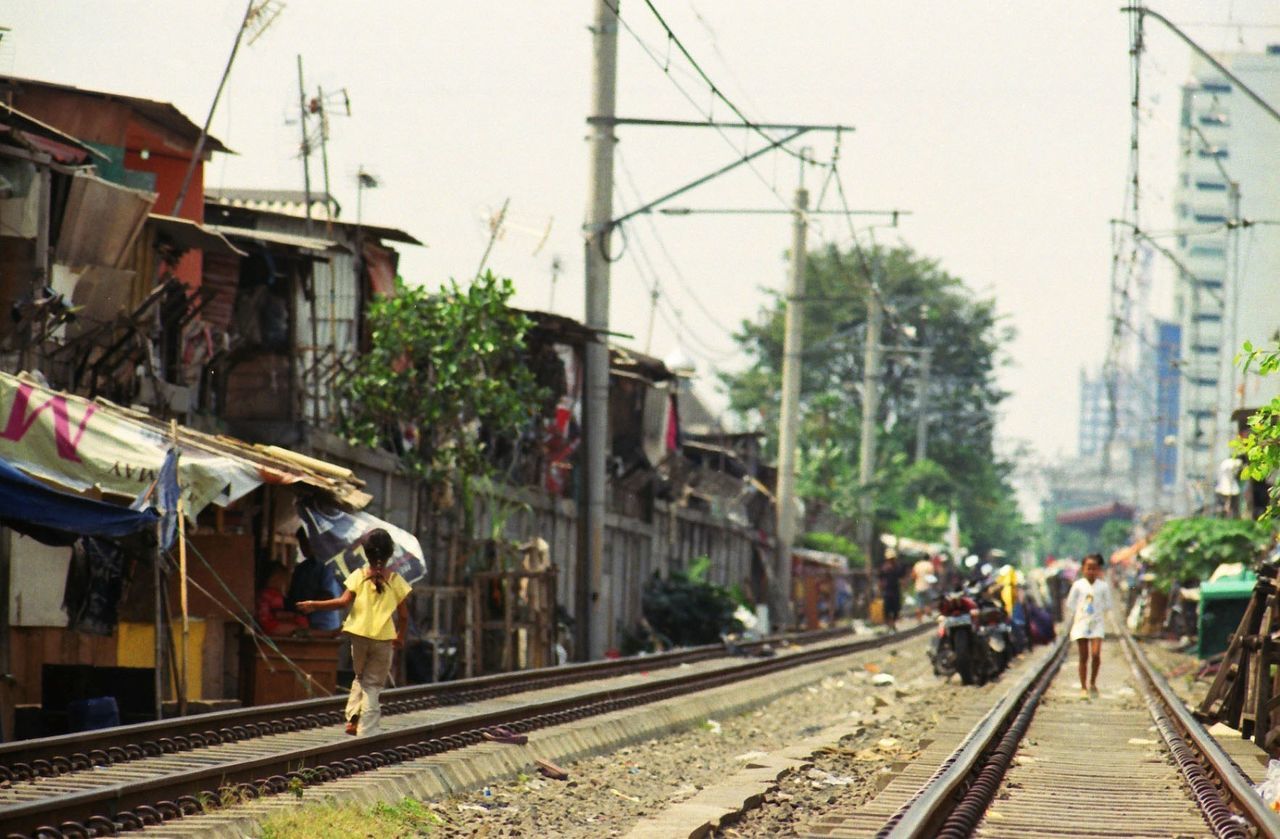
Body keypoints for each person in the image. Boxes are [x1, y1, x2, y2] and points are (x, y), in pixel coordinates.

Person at [297, 529, 412, 736]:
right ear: (390, 554)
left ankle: (352, 718)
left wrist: (314, 604)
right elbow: (404, 616)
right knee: (373, 684)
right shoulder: (396, 581)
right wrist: (400, 636)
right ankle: (366, 730)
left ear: (365, 553)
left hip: (358, 636)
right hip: (383, 639)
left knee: (360, 677)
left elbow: (342, 602)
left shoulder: (358, 576)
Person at [1065, 553, 1113, 699]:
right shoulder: (1078, 585)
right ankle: (1083, 687)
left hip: (1097, 623)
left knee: (1096, 654)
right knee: (1083, 656)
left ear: (1098, 570)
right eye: (1088, 568)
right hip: (1081, 623)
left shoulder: (1103, 586)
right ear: (1083, 569)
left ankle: (1092, 682)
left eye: (1094, 568)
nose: (1091, 571)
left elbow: (1108, 604)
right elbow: (1070, 604)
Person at [286, 527, 344, 634]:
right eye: (301, 543)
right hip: (301, 624)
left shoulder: (327, 564)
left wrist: (307, 606)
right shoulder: (301, 569)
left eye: (305, 543)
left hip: (324, 626)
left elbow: (328, 595)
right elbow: (292, 597)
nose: (303, 547)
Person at [878, 554, 904, 632]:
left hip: (896, 591)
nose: (891, 561)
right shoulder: (883, 568)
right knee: (887, 610)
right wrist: (880, 589)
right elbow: (880, 579)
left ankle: (893, 624)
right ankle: (890, 625)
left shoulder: (897, 568)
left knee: (896, 609)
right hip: (887, 591)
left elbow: (901, 578)